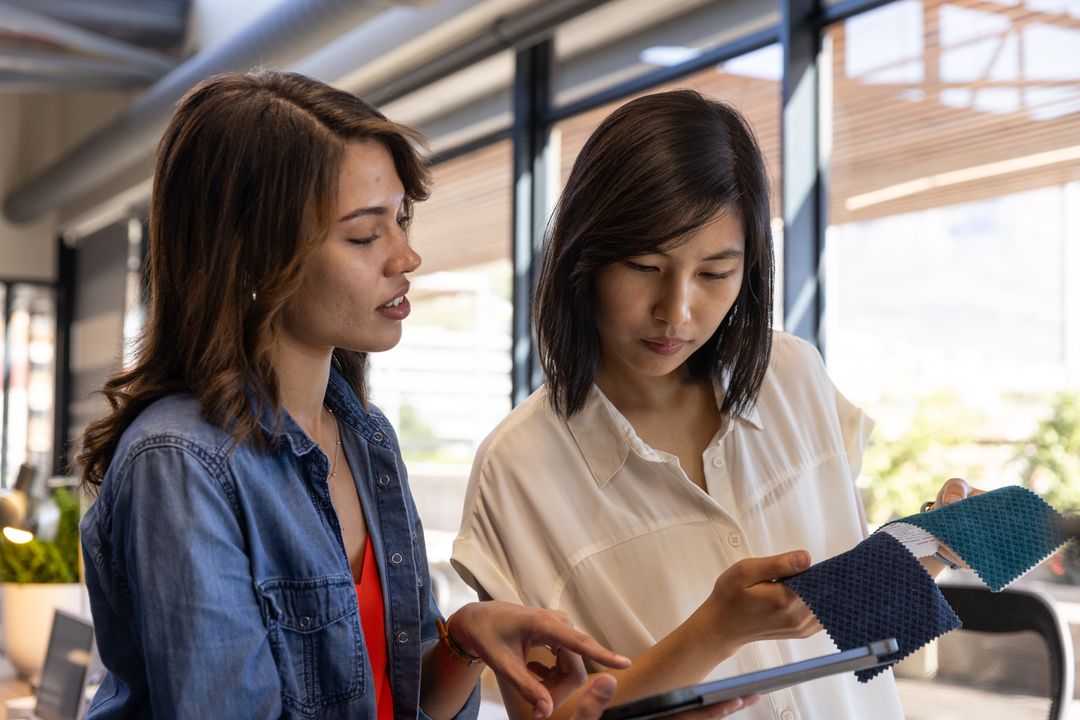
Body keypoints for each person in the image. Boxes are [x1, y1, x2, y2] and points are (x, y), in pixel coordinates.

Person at [75, 70, 648, 720]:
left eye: (400, 221)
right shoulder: (180, 460)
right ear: (257, 259)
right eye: (364, 235)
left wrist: (464, 641)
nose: (406, 256)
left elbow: (398, 699)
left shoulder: (365, 437)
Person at [451, 90, 978, 720]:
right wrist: (714, 632)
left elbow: (850, 625)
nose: (676, 311)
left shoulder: (794, 376)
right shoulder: (517, 469)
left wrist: (928, 548)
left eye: (714, 273)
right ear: (582, 258)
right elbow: (555, 713)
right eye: (645, 265)